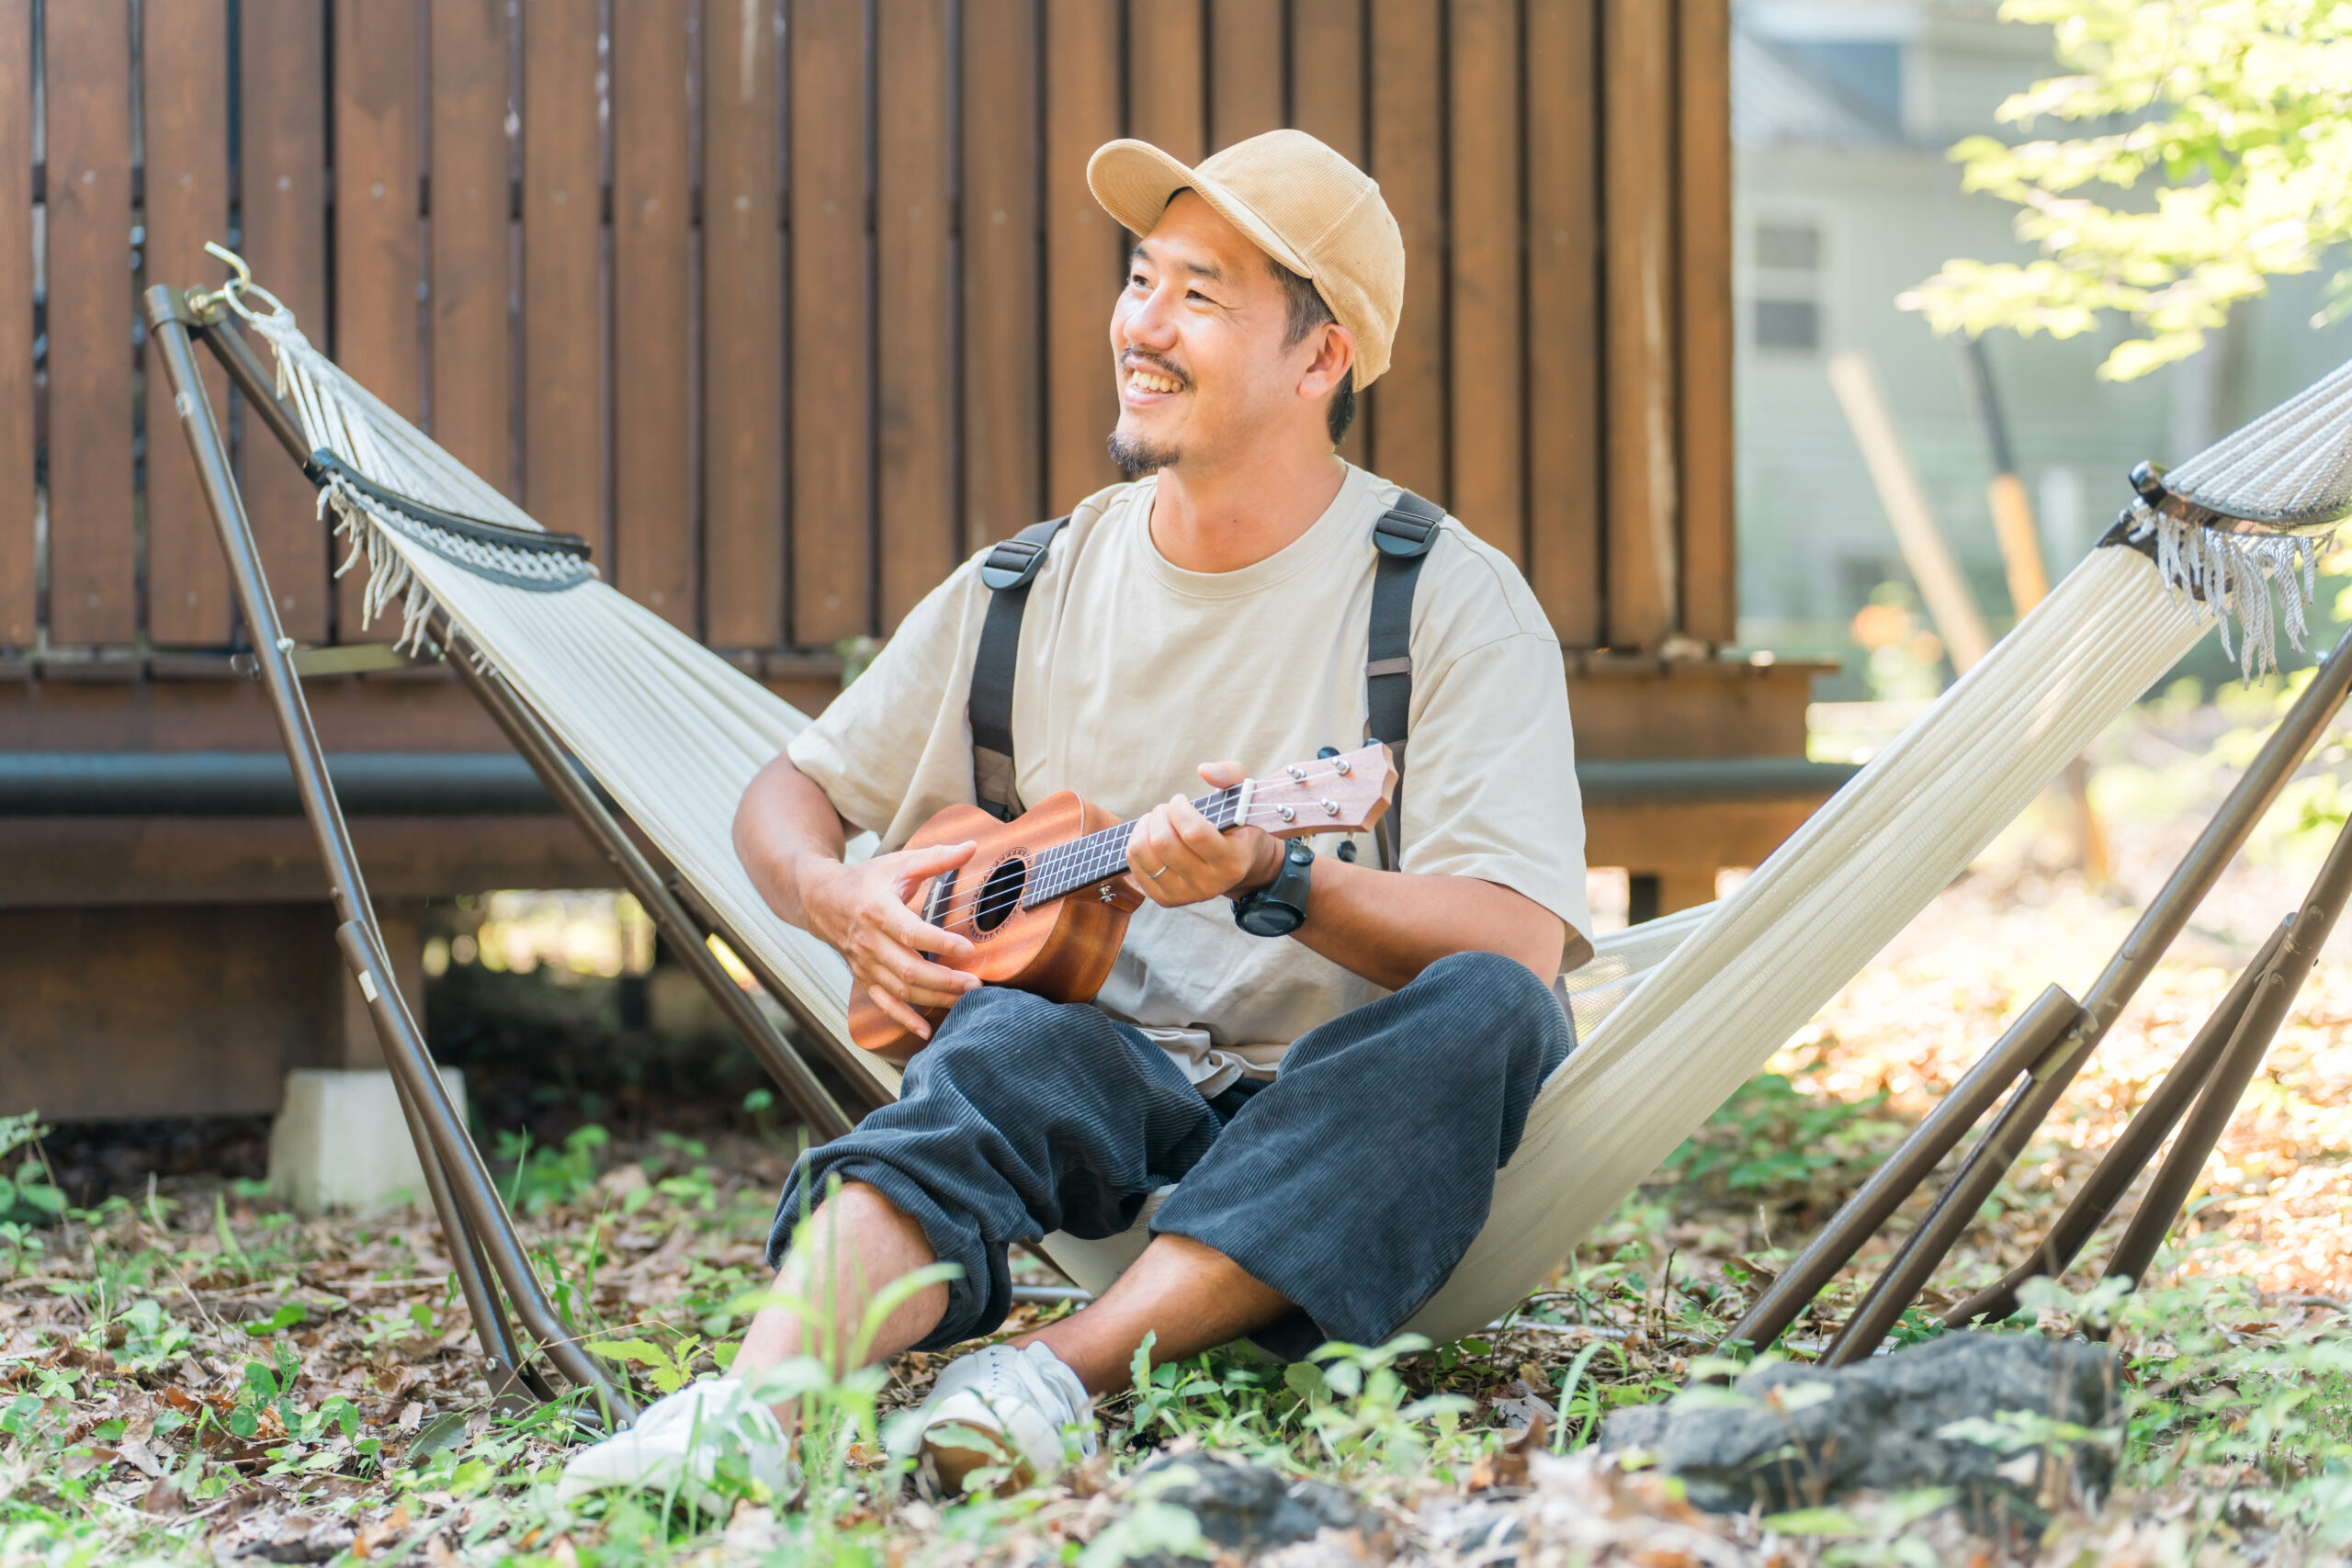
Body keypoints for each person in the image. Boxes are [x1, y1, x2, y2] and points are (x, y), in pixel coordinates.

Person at [560, 127, 1590, 1504]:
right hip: (1100, 1075)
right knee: (1005, 1040)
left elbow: (1517, 946)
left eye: (1200, 297)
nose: (1141, 327)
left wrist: (1281, 873)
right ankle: (757, 1406)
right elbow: (787, 794)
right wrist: (837, 898)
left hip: (1337, 1111)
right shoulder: (1030, 581)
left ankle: (1062, 1372)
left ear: (1321, 357)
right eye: (1140, 279)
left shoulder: (1449, 600)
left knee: (1497, 1019)